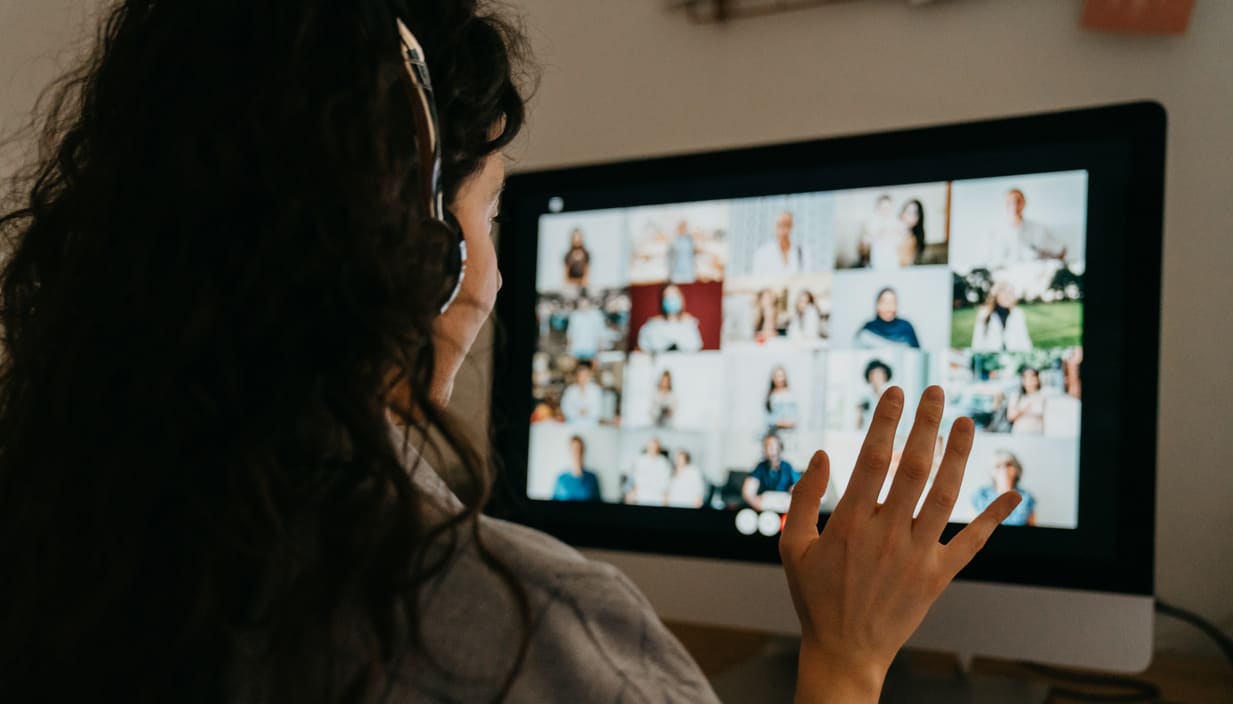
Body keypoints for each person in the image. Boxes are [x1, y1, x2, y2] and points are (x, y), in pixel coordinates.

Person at [0, 2, 1023, 701]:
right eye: (490, 208)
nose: (494, 274)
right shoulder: (526, 631)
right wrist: (845, 657)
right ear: (418, 245)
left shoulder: (62, 529)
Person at [989, 188, 1067, 267]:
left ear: (1024, 203)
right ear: (1004, 205)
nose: (1014, 206)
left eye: (1018, 201)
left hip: (1033, 275)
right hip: (1005, 277)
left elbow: (1060, 250)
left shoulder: (1038, 229)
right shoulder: (996, 233)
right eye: (1009, 202)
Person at [972, 451, 1038, 526]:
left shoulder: (1027, 498)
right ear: (991, 471)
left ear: (1017, 469)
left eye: (1008, 464)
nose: (1004, 469)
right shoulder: (981, 495)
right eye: (998, 465)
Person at [637, 283, 704, 353]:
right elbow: (642, 351)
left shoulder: (690, 325)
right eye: (667, 296)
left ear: (681, 299)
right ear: (662, 301)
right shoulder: (651, 326)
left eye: (675, 295)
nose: (672, 299)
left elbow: (697, 351)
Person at [742, 433, 800, 512]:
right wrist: (753, 500)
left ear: (780, 447)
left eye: (772, 445)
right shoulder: (761, 467)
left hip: (783, 503)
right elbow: (748, 489)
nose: (769, 448)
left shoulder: (787, 467)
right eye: (766, 446)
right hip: (765, 503)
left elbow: (797, 486)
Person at [971, 281, 1032, 351]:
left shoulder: (1018, 313)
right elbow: (977, 342)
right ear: (996, 295)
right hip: (990, 357)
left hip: (1012, 356)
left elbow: (1024, 339)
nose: (1008, 296)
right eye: (1004, 292)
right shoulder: (984, 313)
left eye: (1011, 292)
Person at [854, 287, 921, 349]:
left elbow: (917, 354)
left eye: (892, 302)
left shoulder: (906, 328)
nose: (889, 307)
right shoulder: (868, 329)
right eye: (885, 302)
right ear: (877, 305)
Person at [858, 194, 907, 271]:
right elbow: (866, 240)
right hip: (877, 256)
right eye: (882, 208)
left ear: (892, 209)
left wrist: (895, 232)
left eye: (887, 208)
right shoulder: (872, 223)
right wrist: (877, 234)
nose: (885, 211)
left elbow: (902, 236)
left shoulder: (895, 223)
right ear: (876, 209)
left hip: (892, 257)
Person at [752, 210, 805, 275]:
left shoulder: (801, 252)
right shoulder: (762, 253)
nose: (784, 229)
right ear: (774, 226)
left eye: (787, 225)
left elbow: (806, 278)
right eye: (780, 225)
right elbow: (757, 280)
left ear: (792, 226)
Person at [625, 437, 672, 506]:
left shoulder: (663, 462)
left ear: (658, 448)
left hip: (658, 495)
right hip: (641, 493)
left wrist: (665, 496)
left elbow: (666, 482)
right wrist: (631, 492)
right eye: (650, 447)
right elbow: (633, 479)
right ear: (647, 447)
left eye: (655, 447)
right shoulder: (640, 460)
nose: (652, 449)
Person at [553, 435, 602, 501]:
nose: (577, 453)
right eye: (574, 449)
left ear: (583, 451)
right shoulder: (561, 479)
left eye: (579, 449)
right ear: (570, 451)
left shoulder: (592, 478)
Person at [565, 292, 611, 360]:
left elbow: (601, 332)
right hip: (577, 348)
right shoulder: (575, 316)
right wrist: (569, 347)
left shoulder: (597, 315)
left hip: (592, 348)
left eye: (585, 304)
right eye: (581, 304)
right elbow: (570, 332)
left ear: (589, 304)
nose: (583, 306)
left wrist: (601, 346)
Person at [1007, 367, 1046, 435]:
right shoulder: (1016, 396)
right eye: (1026, 377)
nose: (1029, 380)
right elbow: (1010, 417)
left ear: (1037, 379)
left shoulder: (1043, 397)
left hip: (1038, 434)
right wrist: (1024, 407)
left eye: (1032, 376)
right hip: (1020, 433)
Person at [765, 365, 800, 434]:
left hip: (789, 433)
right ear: (772, 378)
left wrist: (788, 423)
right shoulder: (770, 396)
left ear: (785, 377)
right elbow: (768, 417)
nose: (779, 379)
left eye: (780, 376)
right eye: (776, 376)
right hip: (774, 433)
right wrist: (776, 422)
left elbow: (794, 418)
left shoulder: (790, 395)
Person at [858, 359, 893, 428]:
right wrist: (859, 413)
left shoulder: (891, 397)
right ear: (869, 377)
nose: (876, 377)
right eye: (873, 374)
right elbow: (859, 425)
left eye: (879, 374)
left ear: (885, 376)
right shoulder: (864, 398)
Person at [900, 199, 926, 266]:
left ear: (917, 219)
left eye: (914, 213)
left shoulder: (912, 240)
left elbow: (904, 263)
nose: (909, 216)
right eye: (908, 211)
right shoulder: (890, 228)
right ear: (902, 213)